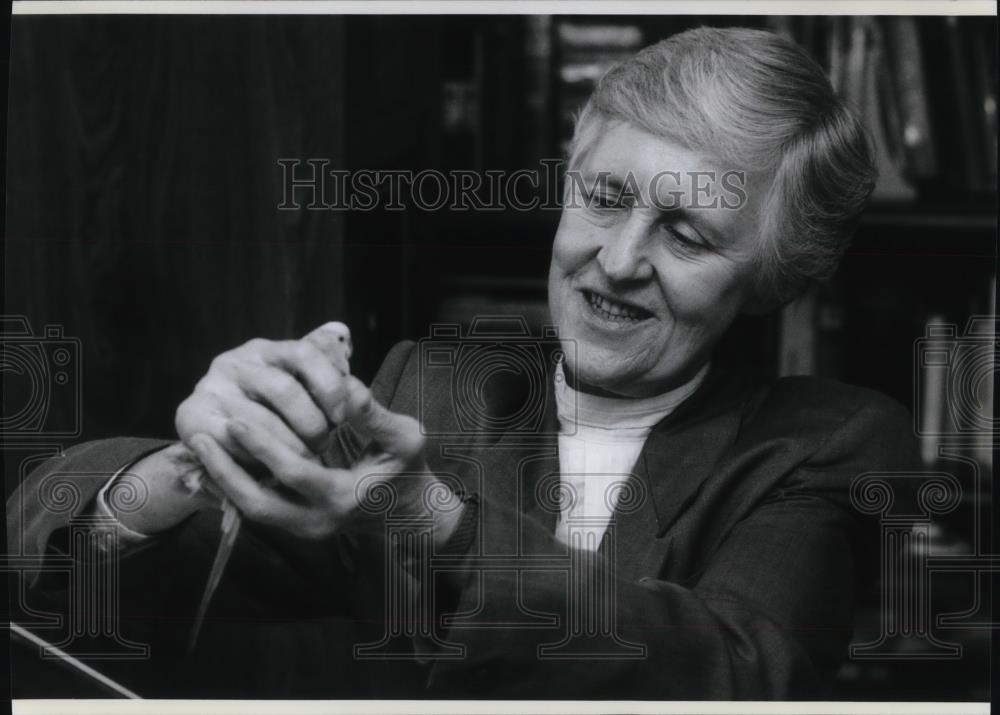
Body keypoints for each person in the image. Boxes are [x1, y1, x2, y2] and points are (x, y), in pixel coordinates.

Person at [8, 26, 919, 700]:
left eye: (686, 232)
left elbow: (736, 670)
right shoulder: (435, 389)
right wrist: (191, 466)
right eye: (604, 197)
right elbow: (98, 573)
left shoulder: (828, 440)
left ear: (769, 278)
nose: (617, 259)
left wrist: (433, 518)